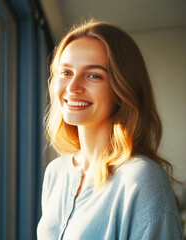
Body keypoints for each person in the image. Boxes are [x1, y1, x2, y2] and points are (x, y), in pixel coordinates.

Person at [37, 19, 184, 239]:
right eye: (66, 72)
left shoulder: (143, 179)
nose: (73, 87)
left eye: (93, 75)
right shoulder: (55, 173)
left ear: (122, 89)